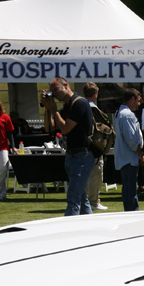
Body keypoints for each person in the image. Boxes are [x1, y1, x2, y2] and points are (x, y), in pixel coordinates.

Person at [42, 77, 94, 216]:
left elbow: (65, 129)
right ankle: (89, 225)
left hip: (82, 155)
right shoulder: (67, 106)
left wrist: (54, 110)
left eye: (56, 90)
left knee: (73, 197)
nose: (54, 94)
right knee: (81, 197)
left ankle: (69, 225)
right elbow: (49, 128)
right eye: (51, 92)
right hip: (72, 155)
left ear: (66, 85)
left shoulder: (80, 103)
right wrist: (48, 109)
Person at [114, 87, 144, 212]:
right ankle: (132, 213)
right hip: (129, 158)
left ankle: (129, 212)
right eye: (138, 100)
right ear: (132, 99)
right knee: (131, 190)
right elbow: (132, 140)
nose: (139, 104)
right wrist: (141, 154)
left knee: (128, 188)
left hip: (124, 157)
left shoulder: (119, 113)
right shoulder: (127, 115)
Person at [83, 82, 109, 211]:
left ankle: (86, 201)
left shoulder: (80, 106)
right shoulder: (94, 109)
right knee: (96, 175)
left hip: (83, 147)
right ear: (95, 94)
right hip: (95, 146)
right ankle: (93, 201)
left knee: (85, 176)